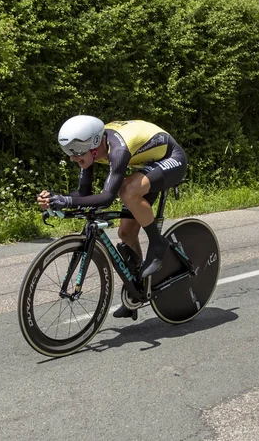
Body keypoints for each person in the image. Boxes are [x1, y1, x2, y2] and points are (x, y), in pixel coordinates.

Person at [37, 115, 187, 318]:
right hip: (148, 163)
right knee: (126, 233)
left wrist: (67, 202)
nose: (73, 158)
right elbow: (84, 194)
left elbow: (106, 197)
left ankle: (157, 242)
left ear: (94, 145)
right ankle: (136, 292)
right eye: (70, 153)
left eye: (77, 153)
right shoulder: (91, 146)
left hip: (171, 158)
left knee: (127, 190)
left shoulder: (118, 149)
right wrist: (58, 199)